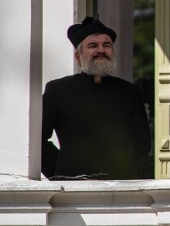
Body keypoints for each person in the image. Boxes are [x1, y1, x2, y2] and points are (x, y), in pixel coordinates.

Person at [42, 16, 152, 180]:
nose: (101, 50)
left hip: (120, 186)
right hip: (71, 186)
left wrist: (119, 168)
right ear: (78, 57)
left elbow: (142, 143)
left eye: (106, 45)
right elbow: (37, 138)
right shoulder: (58, 90)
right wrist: (59, 169)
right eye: (93, 45)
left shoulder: (130, 93)